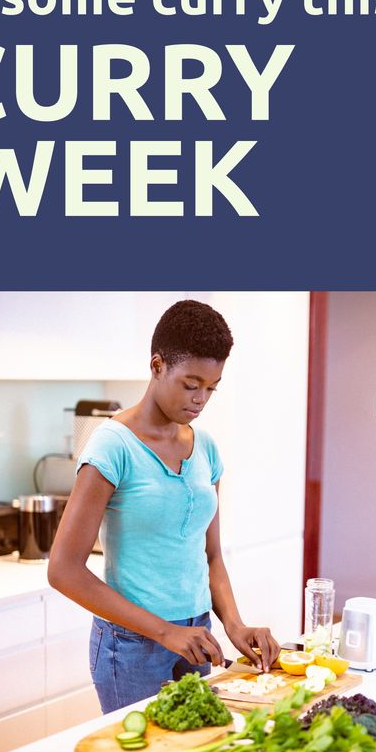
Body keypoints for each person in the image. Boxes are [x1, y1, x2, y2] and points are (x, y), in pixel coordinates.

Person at [47, 300, 281, 713]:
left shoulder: (205, 447)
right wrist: (164, 632)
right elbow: (63, 570)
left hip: (197, 639)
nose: (201, 399)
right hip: (131, 646)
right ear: (157, 366)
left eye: (211, 387)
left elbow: (210, 555)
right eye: (191, 384)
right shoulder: (112, 445)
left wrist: (234, 625)